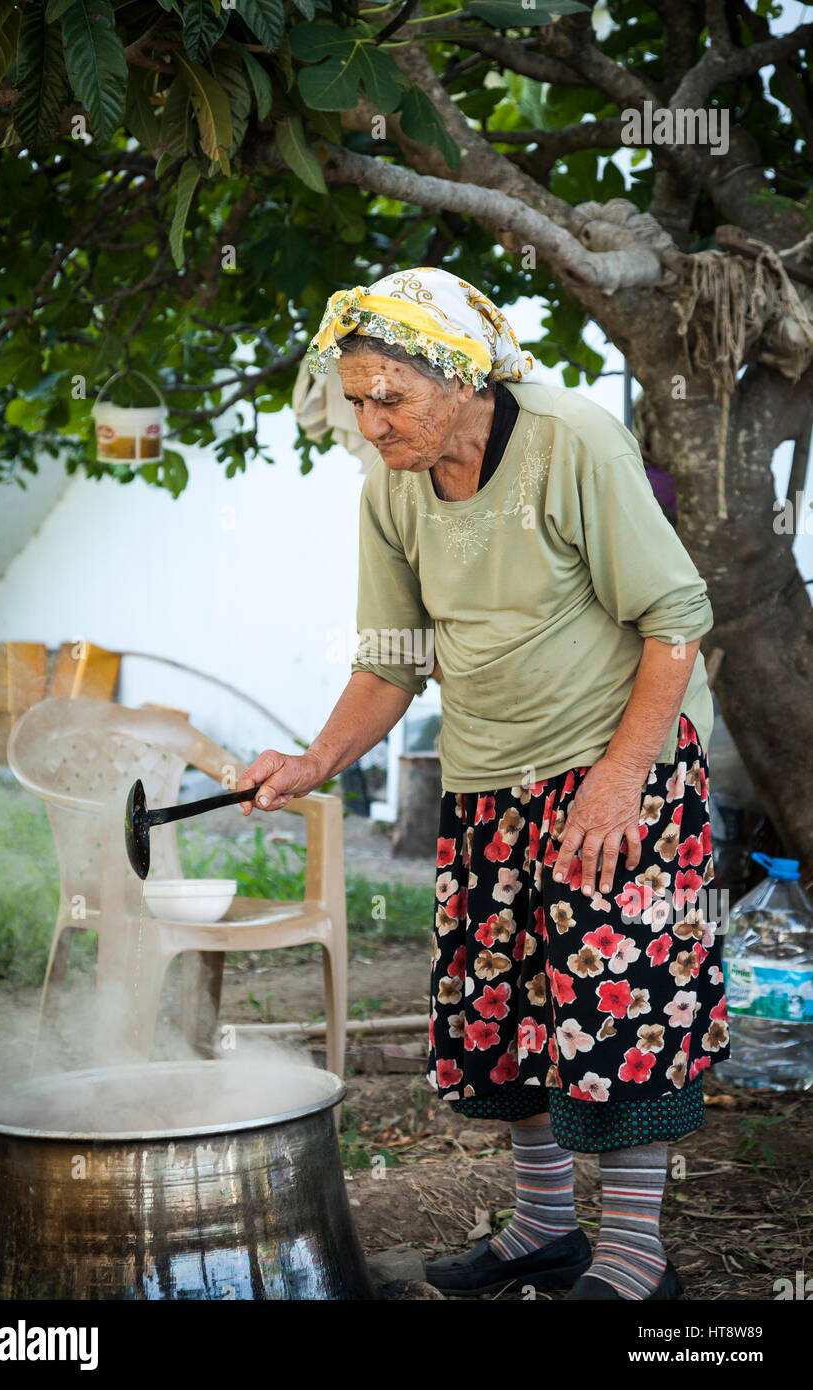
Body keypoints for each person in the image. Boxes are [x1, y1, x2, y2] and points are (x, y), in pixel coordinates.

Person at [237, 266, 730, 1301]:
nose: (368, 423)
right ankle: (545, 1231)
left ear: (462, 377)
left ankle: (636, 1257)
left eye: (389, 396)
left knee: (618, 1007)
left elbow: (674, 617)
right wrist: (314, 760)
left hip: (612, 769)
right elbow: (388, 660)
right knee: (509, 1009)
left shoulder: (572, 441)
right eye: (354, 396)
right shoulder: (390, 487)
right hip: (487, 782)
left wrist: (618, 781)